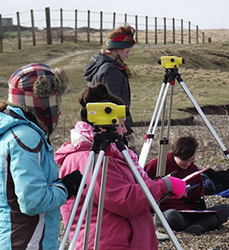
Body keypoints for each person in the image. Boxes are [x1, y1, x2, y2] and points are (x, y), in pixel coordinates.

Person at [54, 83, 186, 250]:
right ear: (104, 123)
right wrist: (164, 185)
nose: (124, 130)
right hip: (108, 243)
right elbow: (123, 200)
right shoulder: (87, 157)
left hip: (126, 241)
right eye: (121, 124)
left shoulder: (113, 154)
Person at [0, 63, 84, 249]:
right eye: (55, 102)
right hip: (24, 242)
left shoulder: (15, 132)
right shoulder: (26, 137)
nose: (58, 111)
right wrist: (66, 187)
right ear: (39, 103)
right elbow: (32, 201)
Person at [144, 135, 229, 235]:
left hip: (188, 212)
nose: (188, 164)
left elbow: (197, 198)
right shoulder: (157, 165)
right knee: (172, 216)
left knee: (225, 209)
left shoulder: (194, 170)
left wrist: (200, 211)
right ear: (175, 154)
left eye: (191, 160)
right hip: (165, 211)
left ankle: (197, 226)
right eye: (185, 160)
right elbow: (142, 189)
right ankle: (202, 225)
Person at [83, 25, 136, 150]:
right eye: (127, 52)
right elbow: (114, 103)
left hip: (99, 125)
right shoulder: (111, 70)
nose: (127, 56)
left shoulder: (99, 65)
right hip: (112, 128)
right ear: (117, 50)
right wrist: (126, 130)